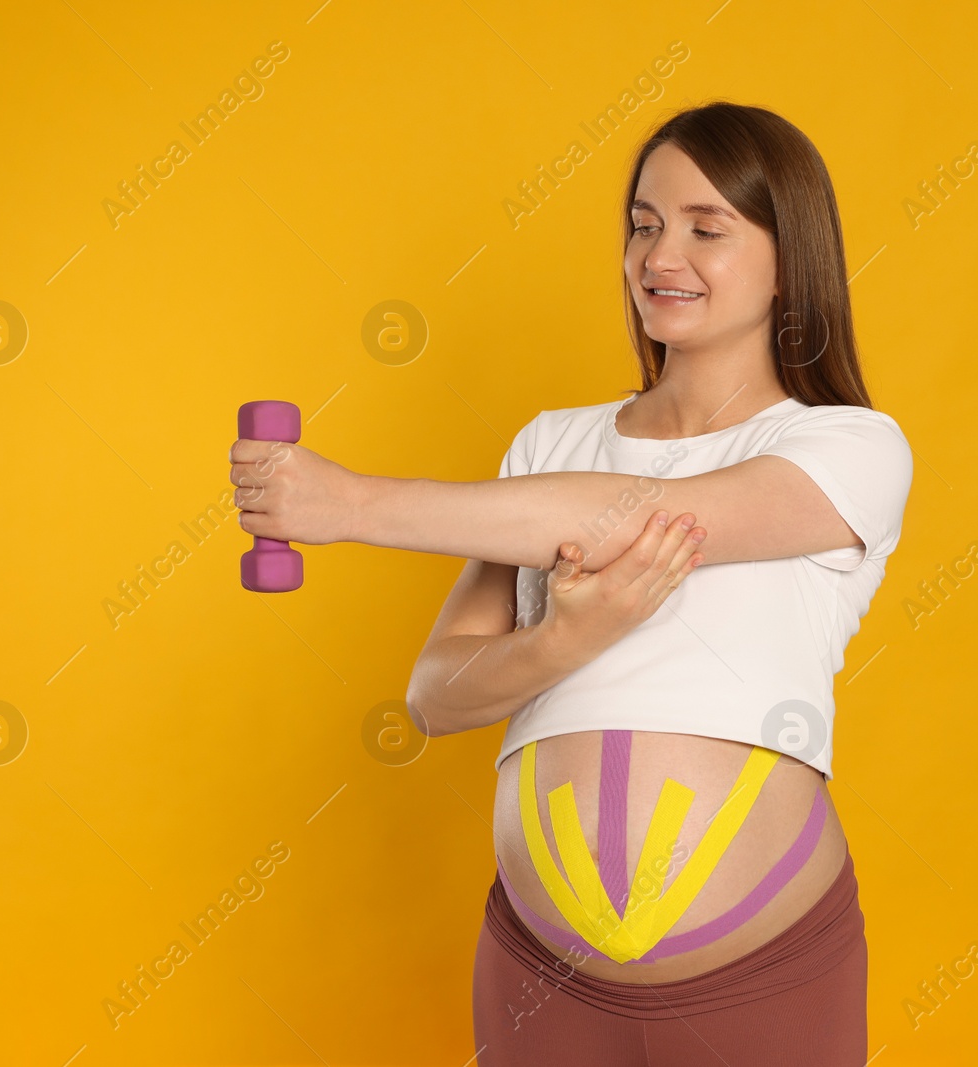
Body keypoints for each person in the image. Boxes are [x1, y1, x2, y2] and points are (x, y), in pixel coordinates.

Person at [229, 101, 913, 1065]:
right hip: (537, 980)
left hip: (765, 975)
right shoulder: (551, 444)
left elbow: (642, 516)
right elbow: (435, 695)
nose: (660, 256)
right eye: (643, 224)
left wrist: (351, 506)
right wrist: (563, 643)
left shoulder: (846, 445)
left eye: (706, 229)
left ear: (788, 257)